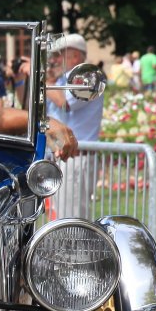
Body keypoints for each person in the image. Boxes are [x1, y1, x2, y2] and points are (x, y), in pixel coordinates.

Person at [45, 33, 105, 220]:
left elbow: (64, 103)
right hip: (59, 155)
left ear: (76, 56)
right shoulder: (59, 81)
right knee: (59, 219)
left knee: (72, 219)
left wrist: (43, 81)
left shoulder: (90, 76)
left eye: (60, 54)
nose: (54, 60)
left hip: (76, 157)